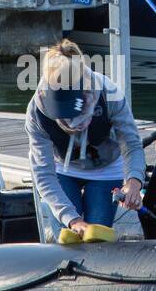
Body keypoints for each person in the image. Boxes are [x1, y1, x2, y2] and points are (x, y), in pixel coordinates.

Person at [25, 40, 145, 237]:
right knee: (65, 233)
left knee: (97, 236)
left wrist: (134, 181)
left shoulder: (110, 94)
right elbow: (44, 174)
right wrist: (73, 220)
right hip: (61, 168)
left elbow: (131, 144)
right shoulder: (36, 111)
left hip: (106, 168)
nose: (70, 122)